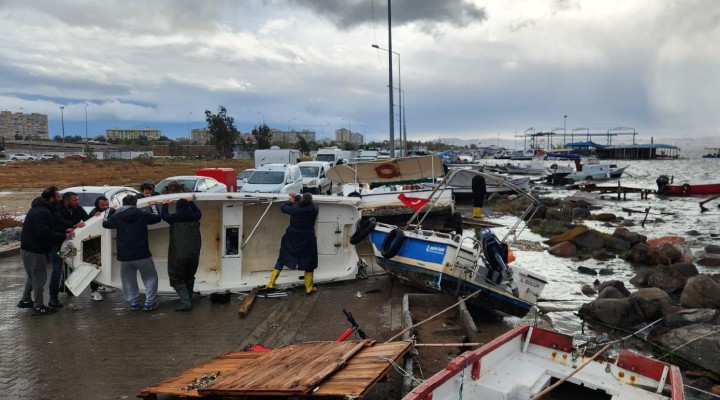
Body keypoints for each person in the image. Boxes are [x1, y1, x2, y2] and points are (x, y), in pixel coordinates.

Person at [17, 186, 74, 316]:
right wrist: (63, 236)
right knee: (39, 278)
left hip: (32, 248)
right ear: (51, 198)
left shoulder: (43, 209)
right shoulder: (42, 211)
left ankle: (26, 300)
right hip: (34, 249)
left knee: (33, 276)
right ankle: (38, 307)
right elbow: (44, 232)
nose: (60, 199)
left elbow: (50, 226)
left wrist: (64, 230)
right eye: (58, 197)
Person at [102, 195, 162, 311]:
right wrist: (153, 205)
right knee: (150, 277)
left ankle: (134, 302)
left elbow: (105, 223)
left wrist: (109, 210)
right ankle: (149, 303)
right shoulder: (141, 214)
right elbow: (157, 218)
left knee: (128, 280)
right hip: (142, 253)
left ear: (123, 204)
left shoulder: (117, 216)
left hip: (124, 256)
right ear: (135, 203)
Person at [267, 192, 319, 295]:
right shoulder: (314, 209)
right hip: (308, 238)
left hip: (293, 236)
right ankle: (309, 288)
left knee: (282, 257)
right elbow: (305, 204)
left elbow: (283, 208)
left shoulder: (295, 208)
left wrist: (290, 201)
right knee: (309, 261)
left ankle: (271, 283)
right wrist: (297, 197)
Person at [50, 191, 92, 306]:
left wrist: (95, 215)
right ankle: (53, 298)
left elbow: (88, 219)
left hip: (72, 243)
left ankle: (66, 286)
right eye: (74, 200)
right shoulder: (57, 209)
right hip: (57, 243)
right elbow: (57, 222)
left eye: (77, 200)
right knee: (57, 270)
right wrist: (72, 225)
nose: (77, 202)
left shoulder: (78, 209)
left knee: (72, 266)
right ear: (66, 201)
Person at [160, 197, 202, 311]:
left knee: (176, 279)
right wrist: (191, 202)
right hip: (194, 253)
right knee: (189, 276)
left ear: (177, 207)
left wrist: (165, 204)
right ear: (188, 207)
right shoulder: (195, 216)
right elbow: (198, 212)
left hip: (179, 254)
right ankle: (189, 298)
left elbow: (163, 215)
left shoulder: (174, 218)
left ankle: (186, 302)